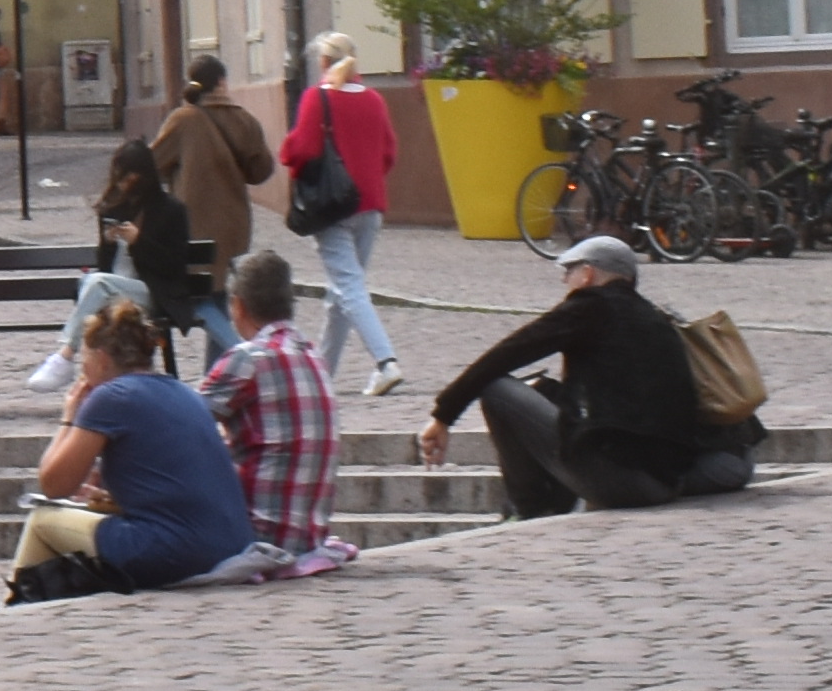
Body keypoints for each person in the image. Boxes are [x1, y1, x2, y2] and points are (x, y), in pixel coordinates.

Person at [423, 235, 756, 515]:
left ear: (587, 274)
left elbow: (507, 354)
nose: (563, 280)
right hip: (664, 481)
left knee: (497, 390)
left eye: (567, 271)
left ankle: (530, 511)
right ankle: (544, 505)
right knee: (548, 394)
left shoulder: (591, 307)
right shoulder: (656, 318)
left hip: (618, 479)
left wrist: (443, 414)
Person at [9, 299, 257, 601]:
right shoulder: (183, 392)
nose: (82, 372)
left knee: (43, 522)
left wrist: (70, 415)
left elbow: (53, 485)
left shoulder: (111, 397)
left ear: (101, 359)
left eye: (84, 360)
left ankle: (13, 612)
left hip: (179, 550)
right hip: (231, 542)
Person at [202, 252, 352, 568]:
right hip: (307, 536)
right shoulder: (313, 356)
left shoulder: (249, 358)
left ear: (238, 306)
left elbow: (179, 424)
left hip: (258, 535)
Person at [283, 32, 408, 398]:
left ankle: (386, 361)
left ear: (323, 63)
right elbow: (389, 152)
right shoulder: (374, 99)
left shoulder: (317, 97)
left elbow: (302, 148)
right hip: (371, 203)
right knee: (343, 291)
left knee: (349, 288)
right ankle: (323, 375)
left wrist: (287, 151)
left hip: (333, 204)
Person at [147, 52, 272, 369]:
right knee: (216, 298)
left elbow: (151, 165)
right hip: (235, 226)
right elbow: (262, 171)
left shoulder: (183, 119)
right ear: (222, 82)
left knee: (197, 299)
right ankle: (216, 381)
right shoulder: (243, 119)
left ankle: (242, 353)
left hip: (193, 226)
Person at [40, 129, 189, 390]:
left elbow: (174, 267)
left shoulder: (170, 210)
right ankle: (86, 370)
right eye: (121, 178)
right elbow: (105, 266)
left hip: (153, 293)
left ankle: (65, 356)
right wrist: (109, 243)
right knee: (94, 282)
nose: (124, 184)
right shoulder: (113, 207)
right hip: (114, 289)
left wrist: (138, 242)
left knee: (96, 283)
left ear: (144, 175)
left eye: (130, 177)